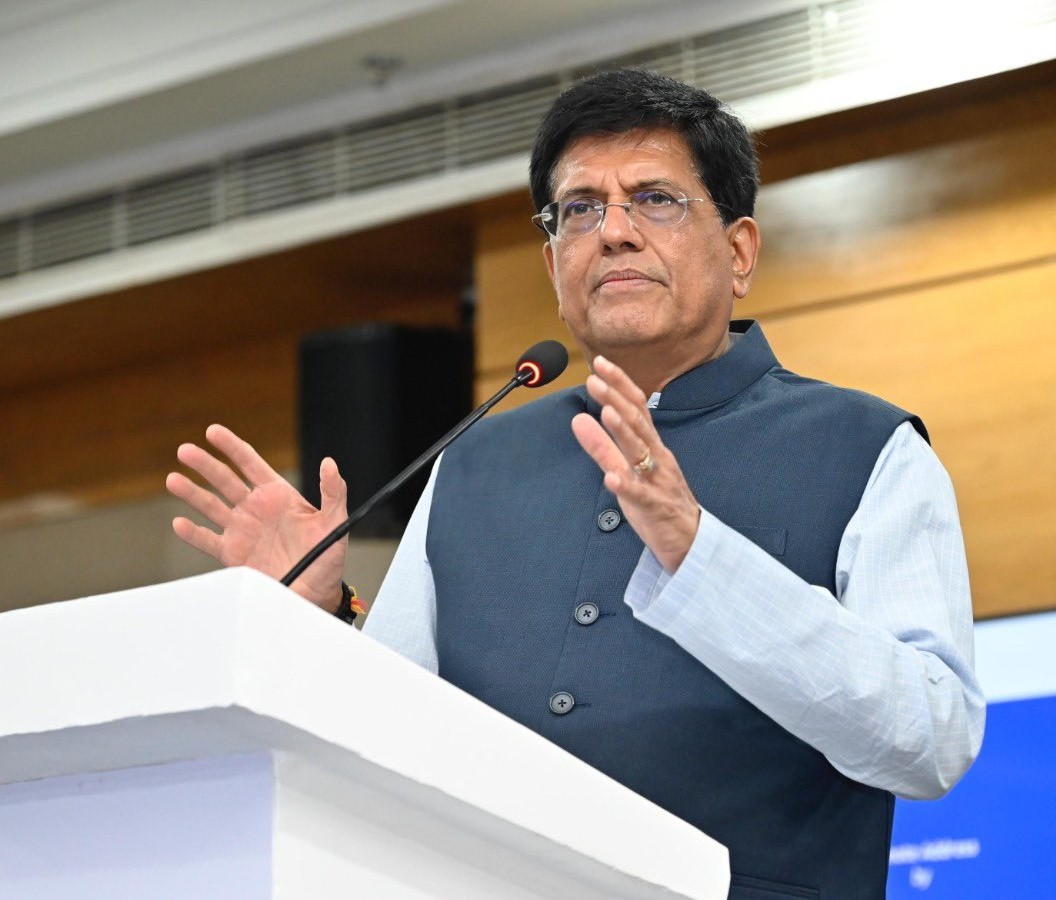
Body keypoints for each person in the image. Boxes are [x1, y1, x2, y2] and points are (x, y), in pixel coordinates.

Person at [166, 68, 983, 900]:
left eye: (656, 199)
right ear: (555, 263)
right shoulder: (473, 463)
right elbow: (385, 748)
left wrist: (701, 556)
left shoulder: (867, 448)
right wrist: (315, 620)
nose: (615, 232)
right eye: (581, 209)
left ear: (739, 252)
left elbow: (933, 737)